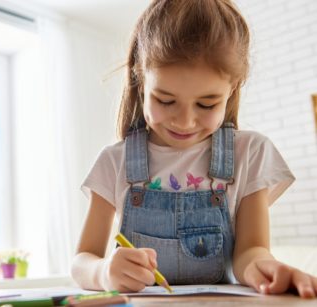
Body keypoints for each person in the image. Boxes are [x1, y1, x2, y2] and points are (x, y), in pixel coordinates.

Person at [71, 0, 317, 299]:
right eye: (165, 100)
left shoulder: (250, 152)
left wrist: (266, 268)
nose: (185, 121)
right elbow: (82, 260)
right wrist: (103, 271)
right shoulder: (114, 161)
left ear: (233, 89)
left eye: (207, 104)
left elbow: (250, 252)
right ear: (140, 79)